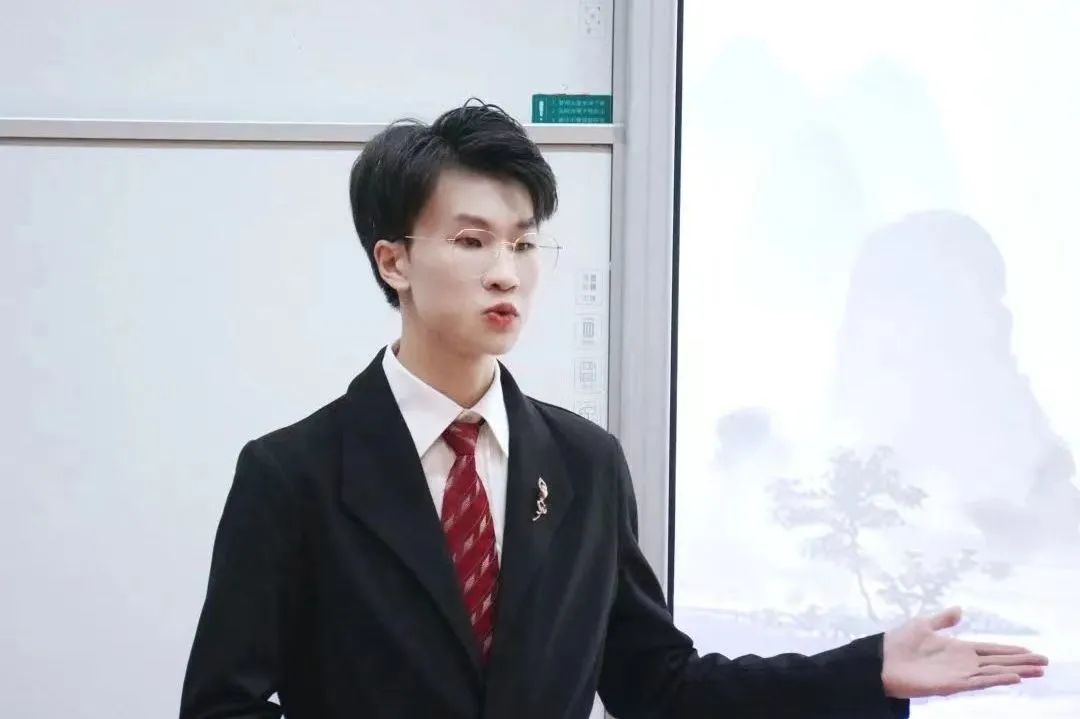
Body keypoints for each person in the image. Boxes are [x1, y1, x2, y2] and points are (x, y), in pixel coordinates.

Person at [179, 102, 1048, 719]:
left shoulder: (584, 464)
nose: (507, 271)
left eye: (524, 242)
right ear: (394, 261)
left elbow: (658, 685)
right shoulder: (292, 474)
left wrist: (866, 670)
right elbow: (223, 705)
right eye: (472, 240)